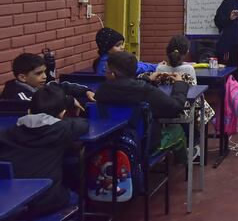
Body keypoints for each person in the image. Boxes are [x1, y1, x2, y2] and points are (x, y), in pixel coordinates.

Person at [0, 86, 88, 218]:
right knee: (75, 197)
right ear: (62, 115)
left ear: (29, 111)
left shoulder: (8, 132)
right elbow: (83, 124)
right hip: (44, 201)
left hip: (11, 203)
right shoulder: (62, 129)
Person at [95, 52, 189, 152]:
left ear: (113, 75)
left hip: (110, 142)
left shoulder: (101, 92)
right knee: (177, 129)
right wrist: (180, 84)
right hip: (145, 145)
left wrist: (146, 79)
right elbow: (175, 108)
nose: (105, 73)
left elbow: (124, 85)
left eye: (106, 70)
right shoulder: (146, 91)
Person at [1, 52, 94, 108]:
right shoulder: (17, 94)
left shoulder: (37, 85)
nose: (44, 76)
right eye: (38, 73)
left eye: (44, 72)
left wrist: (85, 92)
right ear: (22, 77)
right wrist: (69, 100)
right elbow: (41, 105)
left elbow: (61, 87)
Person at [92, 27, 156, 75]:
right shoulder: (108, 64)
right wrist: (157, 67)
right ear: (107, 49)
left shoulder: (110, 60)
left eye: (122, 44)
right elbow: (135, 68)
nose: (122, 47)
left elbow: (137, 64)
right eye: (118, 45)